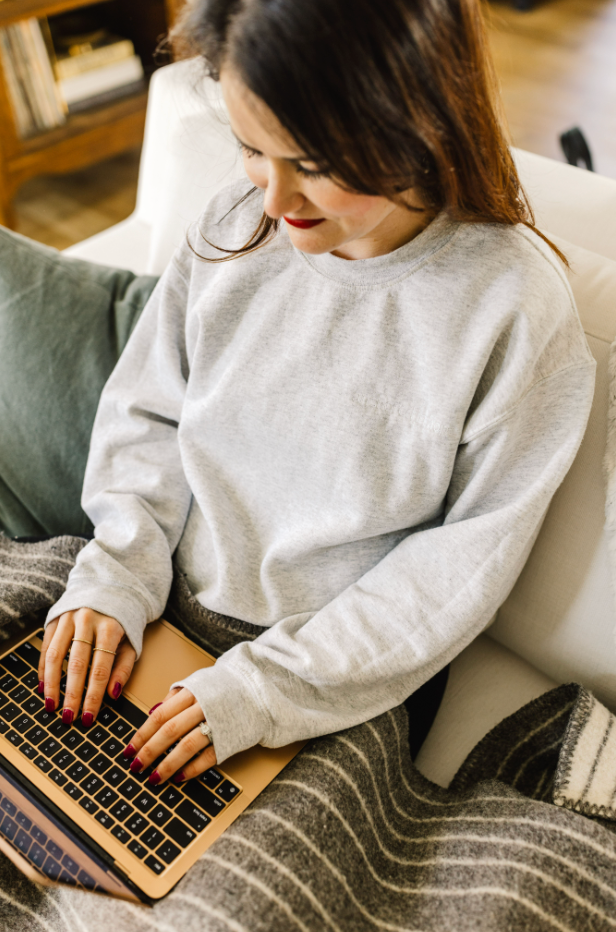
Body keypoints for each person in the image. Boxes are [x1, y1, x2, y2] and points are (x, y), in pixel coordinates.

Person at [36, 0, 595, 790]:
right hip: (161, 602)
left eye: (313, 163)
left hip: (330, 682)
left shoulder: (512, 308)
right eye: (251, 148)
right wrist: (114, 578)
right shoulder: (236, 222)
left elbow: (454, 574)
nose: (272, 201)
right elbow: (149, 410)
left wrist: (260, 693)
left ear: (422, 120)